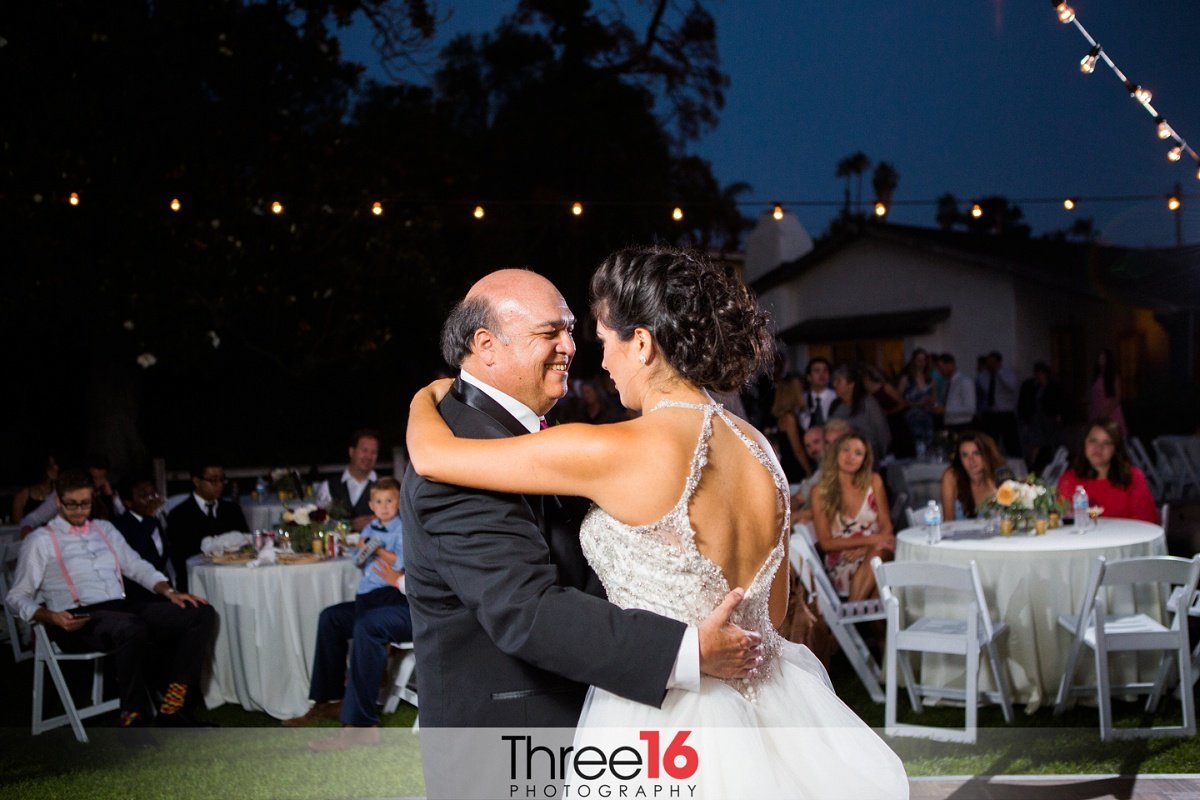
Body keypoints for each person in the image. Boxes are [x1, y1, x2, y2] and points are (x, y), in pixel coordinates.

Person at [405, 250, 907, 798]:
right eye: (556, 333)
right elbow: (774, 612)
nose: (586, 354)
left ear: (641, 343)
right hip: (761, 709)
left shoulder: (608, 448)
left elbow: (433, 457)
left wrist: (421, 404)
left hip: (657, 718)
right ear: (485, 346)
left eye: (594, 338)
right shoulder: (759, 449)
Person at [5, 468, 216, 728]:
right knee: (130, 626)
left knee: (199, 612)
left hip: (121, 608)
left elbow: (135, 565)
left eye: (85, 503)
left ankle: (173, 708)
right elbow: (15, 597)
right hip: (76, 618)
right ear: (58, 501)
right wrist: (48, 615)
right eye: (72, 504)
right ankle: (133, 717)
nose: (80, 510)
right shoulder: (40, 541)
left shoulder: (104, 528)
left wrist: (169, 592)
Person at [291, 478, 413, 750]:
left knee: (367, 626)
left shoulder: (405, 528)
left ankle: (361, 724)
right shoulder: (372, 527)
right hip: (372, 596)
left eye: (390, 501)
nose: (384, 507)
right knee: (331, 618)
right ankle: (330, 701)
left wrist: (394, 572)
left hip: (402, 601)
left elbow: (406, 564)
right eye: (379, 502)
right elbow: (362, 563)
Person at [810, 432, 895, 603]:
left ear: (865, 459)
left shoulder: (874, 481)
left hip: (876, 550)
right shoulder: (819, 491)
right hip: (843, 558)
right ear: (835, 453)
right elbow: (826, 543)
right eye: (845, 450)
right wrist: (871, 542)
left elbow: (887, 527)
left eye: (858, 453)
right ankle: (855, 620)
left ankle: (849, 616)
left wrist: (867, 549)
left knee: (877, 554)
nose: (851, 457)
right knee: (878, 591)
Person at [165, 461, 249, 592]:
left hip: (234, 578)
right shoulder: (179, 515)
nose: (219, 485)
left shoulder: (232, 510)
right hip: (197, 581)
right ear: (197, 481)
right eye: (213, 480)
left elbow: (246, 543)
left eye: (222, 480)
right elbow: (181, 558)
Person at [1057, 419, 1156, 523]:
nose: (1098, 448)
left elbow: (1145, 520)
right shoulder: (1069, 479)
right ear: (1084, 444)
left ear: (1115, 449)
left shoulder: (1132, 477)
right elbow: (1063, 520)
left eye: (1107, 443)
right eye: (1093, 441)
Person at [113, 477, 171, 601]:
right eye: (144, 496)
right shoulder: (120, 525)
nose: (152, 500)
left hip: (162, 589)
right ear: (128, 502)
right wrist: (149, 518)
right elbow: (137, 553)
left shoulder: (157, 520)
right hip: (138, 594)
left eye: (153, 494)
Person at [316, 429, 380, 532]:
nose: (368, 457)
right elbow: (319, 524)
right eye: (364, 450)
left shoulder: (385, 486)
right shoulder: (329, 486)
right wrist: (349, 526)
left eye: (373, 452)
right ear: (351, 452)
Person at [940, 431, 1009, 521]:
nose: (971, 460)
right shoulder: (951, 477)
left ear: (986, 454)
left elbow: (1010, 519)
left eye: (976, 453)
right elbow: (948, 522)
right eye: (965, 455)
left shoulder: (1000, 475)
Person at [828, 362, 891, 459]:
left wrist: (880, 455)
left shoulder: (867, 403)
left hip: (867, 455)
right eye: (834, 381)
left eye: (839, 381)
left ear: (851, 384)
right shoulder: (835, 405)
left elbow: (881, 431)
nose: (834, 384)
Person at [1018, 361, 1065, 471]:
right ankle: (1032, 464)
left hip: (1049, 418)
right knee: (1035, 443)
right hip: (1037, 419)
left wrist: (1058, 415)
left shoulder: (1052, 386)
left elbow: (1057, 402)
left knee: (1050, 442)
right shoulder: (1033, 386)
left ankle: (1052, 464)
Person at [770, 372, 811, 482]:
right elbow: (797, 450)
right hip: (796, 469)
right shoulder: (789, 418)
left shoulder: (784, 417)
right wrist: (809, 471)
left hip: (789, 467)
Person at [897, 349, 936, 455]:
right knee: (915, 444)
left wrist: (929, 402)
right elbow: (898, 399)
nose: (921, 363)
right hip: (912, 417)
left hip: (927, 417)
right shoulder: (906, 379)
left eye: (924, 360)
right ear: (913, 361)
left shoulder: (930, 379)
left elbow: (934, 397)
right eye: (919, 360)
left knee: (928, 443)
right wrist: (916, 404)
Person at [11, 452, 57, 524]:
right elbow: (17, 526)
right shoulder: (22, 495)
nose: (56, 467)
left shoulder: (59, 492)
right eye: (51, 465)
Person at [935, 352, 976, 433]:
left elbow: (970, 409)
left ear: (950, 365)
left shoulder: (965, 382)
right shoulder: (947, 383)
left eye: (941, 368)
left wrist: (945, 410)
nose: (939, 371)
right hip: (948, 423)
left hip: (962, 424)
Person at [1088, 349, 1126, 435]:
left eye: (1103, 357)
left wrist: (1105, 413)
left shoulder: (1113, 376)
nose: (1100, 359)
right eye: (1099, 357)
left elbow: (1117, 397)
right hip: (1097, 413)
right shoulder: (1097, 376)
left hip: (1110, 413)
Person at [799, 356, 837, 430]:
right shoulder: (802, 398)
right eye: (817, 371)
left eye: (825, 371)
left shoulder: (836, 397)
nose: (822, 374)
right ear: (809, 377)